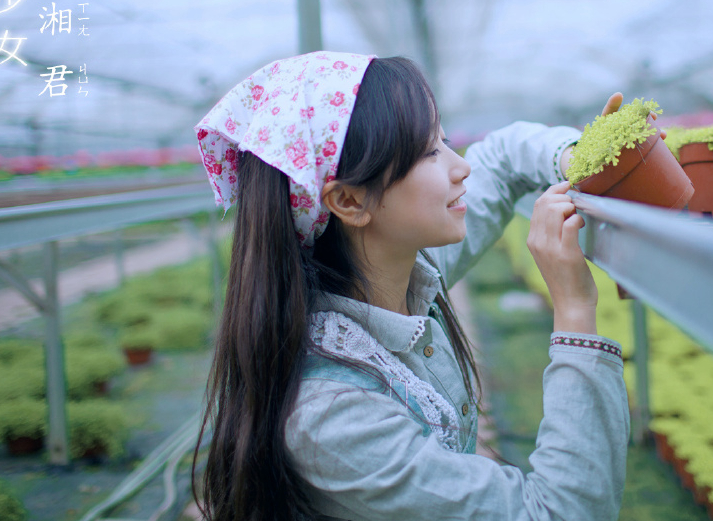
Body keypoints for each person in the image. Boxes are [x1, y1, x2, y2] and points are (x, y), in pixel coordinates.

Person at [191, 52, 630, 521]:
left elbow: (500, 159)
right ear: (348, 199)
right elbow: (558, 513)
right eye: (429, 152)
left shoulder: (398, 269)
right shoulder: (330, 418)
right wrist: (575, 309)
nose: (461, 168)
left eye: (443, 141)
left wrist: (575, 156)